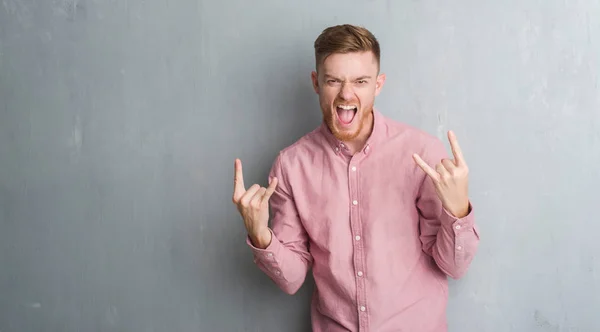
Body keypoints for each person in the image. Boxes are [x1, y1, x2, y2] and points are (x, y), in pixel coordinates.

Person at [232, 24, 480, 332]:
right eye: (333, 80)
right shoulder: (290, 166)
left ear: (378, 85)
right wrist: (260, 235)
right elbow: (292, 279)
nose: (346, 94)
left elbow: (454, 267)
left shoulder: (422, 153)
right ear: (316, 82)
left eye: (360, 81)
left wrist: (457, 212)